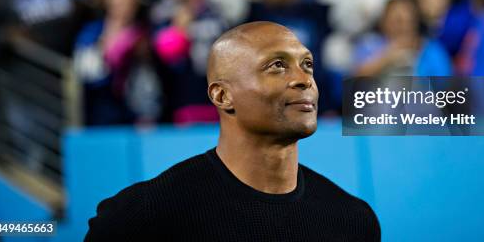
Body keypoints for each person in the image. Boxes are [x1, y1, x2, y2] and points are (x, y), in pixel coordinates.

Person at [85, 21, 380, 241]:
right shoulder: (143, 216)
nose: (304, 80)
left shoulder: (353, 221)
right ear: (222, 96)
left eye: (307, 64)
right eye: (278, 65)